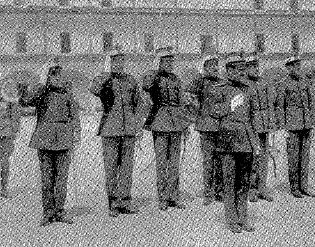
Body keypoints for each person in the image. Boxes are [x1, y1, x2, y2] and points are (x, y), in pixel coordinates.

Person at [18, 59, 81, 226]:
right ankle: (48, 212)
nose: (56, 78)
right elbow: (26, 101)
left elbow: (74, 115)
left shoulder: (67, 93)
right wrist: (41, 83)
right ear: (47, 76)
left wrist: (76, 134)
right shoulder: (41, 93)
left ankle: (60, 211)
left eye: (58, 74)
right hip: (45, 139)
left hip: (64, 139)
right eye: (52, 74)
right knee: (47, 180)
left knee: (61, 179)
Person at [89, 47, 146, 217]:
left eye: (121, 61)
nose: (119, 64)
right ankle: (113, 203)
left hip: (129, 129)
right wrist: (107, 74)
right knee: (111, 167)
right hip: (110, 129)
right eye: (115, 61)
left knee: (127, 167)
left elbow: (140, 103)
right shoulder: (105, 79)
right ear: (109, 62)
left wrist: (137, 123)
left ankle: (125, 202)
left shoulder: (131, 80)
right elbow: (93, 88)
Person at [210, 54, 260, 233]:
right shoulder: (219, 89)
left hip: (245, 140)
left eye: (242, 69)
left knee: (244, 182)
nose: (241, 73)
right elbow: (213, 112)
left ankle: (243, 217)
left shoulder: (248, 89)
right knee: (229, 181)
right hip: (227, 141)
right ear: (228, 70)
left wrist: (255, 142)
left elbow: (254, 117)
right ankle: (232, 219)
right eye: (237, 69)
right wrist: (230, 106)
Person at [142, 46, 192, 211]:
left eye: (171, 61)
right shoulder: (154, 77)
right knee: (162, 162)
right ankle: (163, 197)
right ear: (159, 62)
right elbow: (146, 86)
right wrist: (154, 69)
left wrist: (185, 124)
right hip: (160, 120)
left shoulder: (176, 79)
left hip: (176, 122)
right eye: (165, 61)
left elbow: (181, 102)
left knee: (175, 162)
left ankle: (174, 196)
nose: (169, 64)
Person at [276, 56, 315, 198]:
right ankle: (294, 187)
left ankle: (304, 186)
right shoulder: (283, 84)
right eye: (293, 66)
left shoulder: (305, 82)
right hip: (292, 125)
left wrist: (314, 121)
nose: (297, 68)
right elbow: (280, 107)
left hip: (306, 124)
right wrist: (283, 127)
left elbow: (312, 103)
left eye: (298, 65)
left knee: (305, 157)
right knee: (293, 157)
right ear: (288, 68)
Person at [185, 54, 224, 205]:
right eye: (210, 65)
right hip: (206, 126)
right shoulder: (199, 81)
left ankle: (219, 191)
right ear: (205, 67)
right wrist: (198, 110)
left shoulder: (222, 82)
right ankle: (208, 192)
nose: (214, 67)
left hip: (221, 127)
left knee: (220, 160)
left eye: (216, 64)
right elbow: (188, 97)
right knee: (208, 161)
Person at [0, 62, 21, 200]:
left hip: (5, 132)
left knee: (4, 161)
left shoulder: (7, 90)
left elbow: (15, 110)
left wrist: (15, 129)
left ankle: (4, 189)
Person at [245, 55, 274, 203]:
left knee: (263, 157)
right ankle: (251, 189)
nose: (256, 69)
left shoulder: (264, 82)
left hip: (264, 125)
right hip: (251, 126)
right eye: (252, 67)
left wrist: (271, 122)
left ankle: (262, 187)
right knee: (252, 158)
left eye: (257, 66)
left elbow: (270, 103)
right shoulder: (244, 84)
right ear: (247, 68)